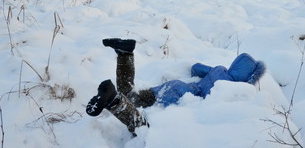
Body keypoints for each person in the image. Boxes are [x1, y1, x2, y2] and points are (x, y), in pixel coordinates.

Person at [86, 38, 266, 135]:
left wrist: (206, 76)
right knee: (145, 127)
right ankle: (114, 101)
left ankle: (125, 53)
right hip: (180, 98)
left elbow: (196, 68)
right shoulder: (234, 89)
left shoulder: (219, 69)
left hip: (176, 87)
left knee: (135, 97)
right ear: (249, 77)